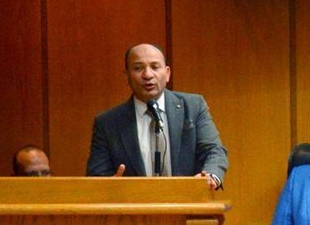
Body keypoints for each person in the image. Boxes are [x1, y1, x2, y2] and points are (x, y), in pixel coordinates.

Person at [86, 44, 227, 189]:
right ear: (127, 75)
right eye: (138, 68)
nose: (147, 75)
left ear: (167, 73)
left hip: (187, 199)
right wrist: (108, 187)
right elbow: (97, 178)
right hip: (131, 202)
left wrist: (210, 176)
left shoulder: (193, 106)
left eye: (155, 67)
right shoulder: (107, 123)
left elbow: (214, 150)